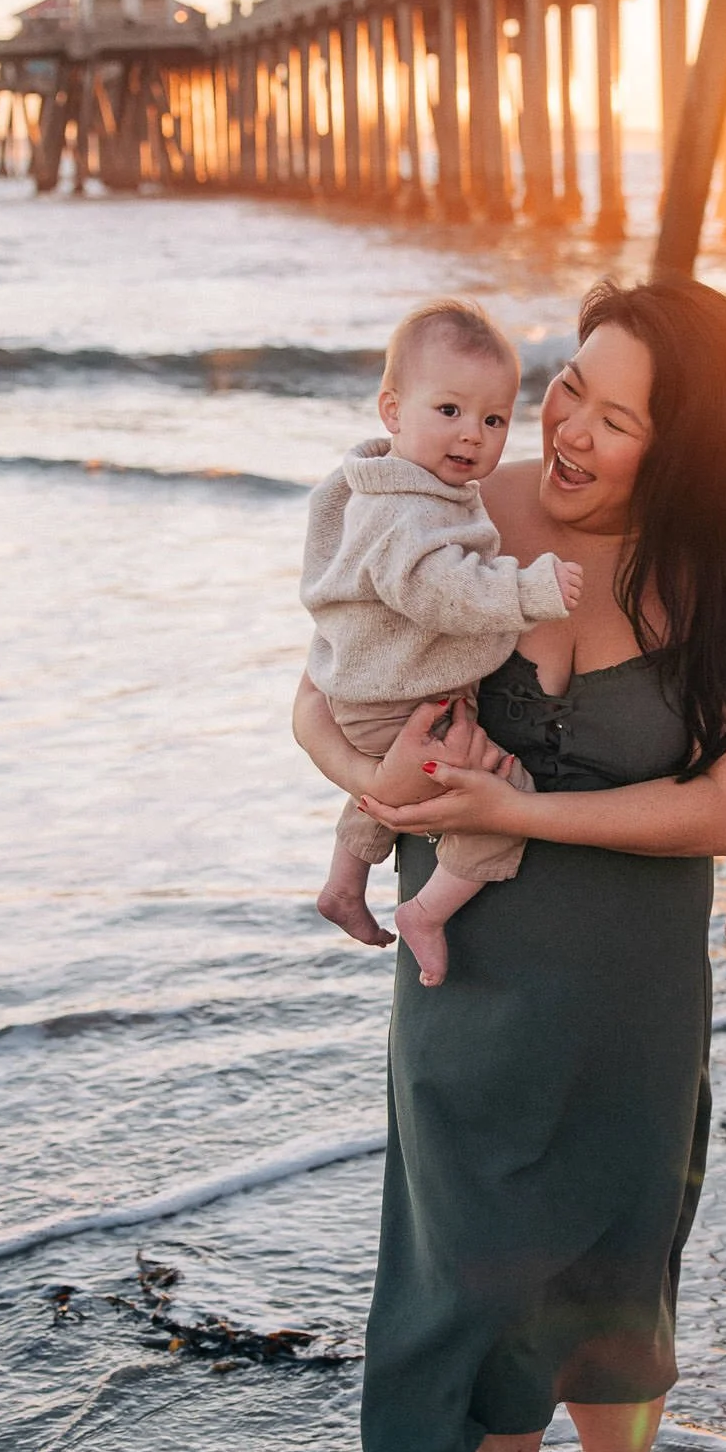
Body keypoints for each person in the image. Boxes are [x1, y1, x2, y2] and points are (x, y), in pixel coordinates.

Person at [294, 278, 726, 1452]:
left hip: (627, 991)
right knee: (473, 1262)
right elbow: (323, 685)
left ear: (690, 449)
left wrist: (509, 810)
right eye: (571, 392)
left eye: (619, 418)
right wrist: (384, 792)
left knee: (613, 1274)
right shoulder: (463, 508)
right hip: (465, 975)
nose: (573, 433)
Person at [303, 296, 582, 987]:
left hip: (370, 695)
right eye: (449, 411)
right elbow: (437, 588)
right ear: (392, 411)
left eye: (493, 419)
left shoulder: (387, 487)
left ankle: (344, 881)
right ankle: (426, 913)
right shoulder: (409, 511)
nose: (472, 436)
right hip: (398, 699)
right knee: (500, 793)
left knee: (391, 779)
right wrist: (528, 590)